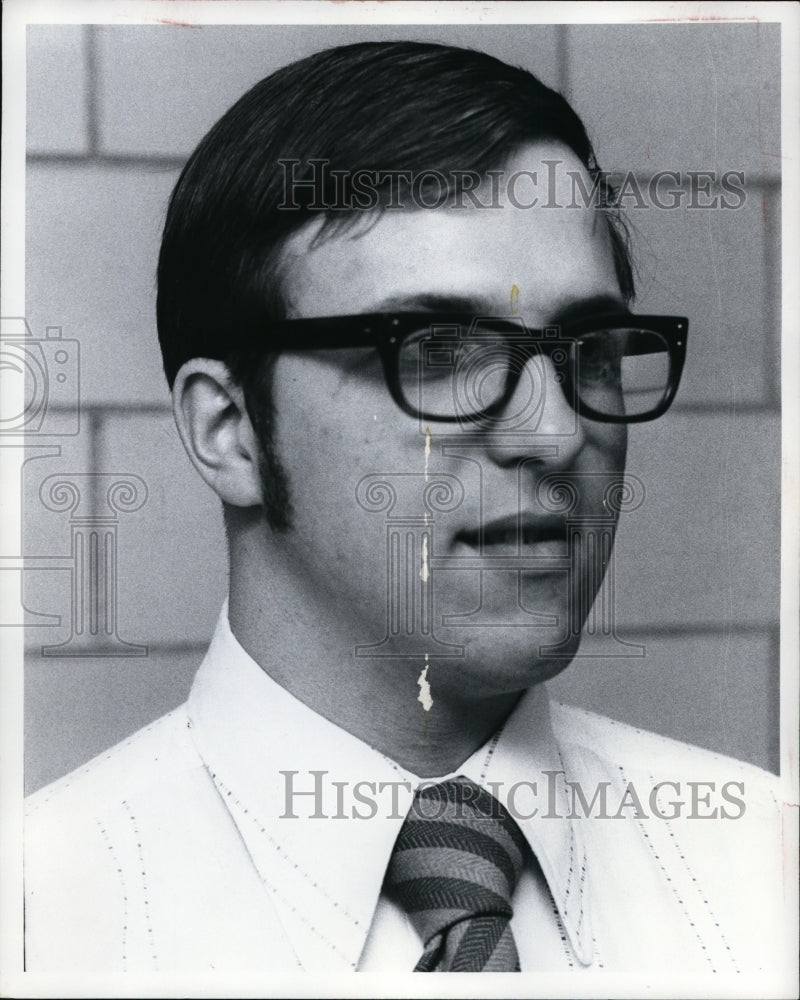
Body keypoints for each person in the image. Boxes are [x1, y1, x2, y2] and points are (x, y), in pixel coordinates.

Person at [24, 40, 784, 979]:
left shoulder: (766, 867)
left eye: (588, 346)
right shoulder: (37, 920)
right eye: (438, 352)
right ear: (229, 432)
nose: (552, 438)